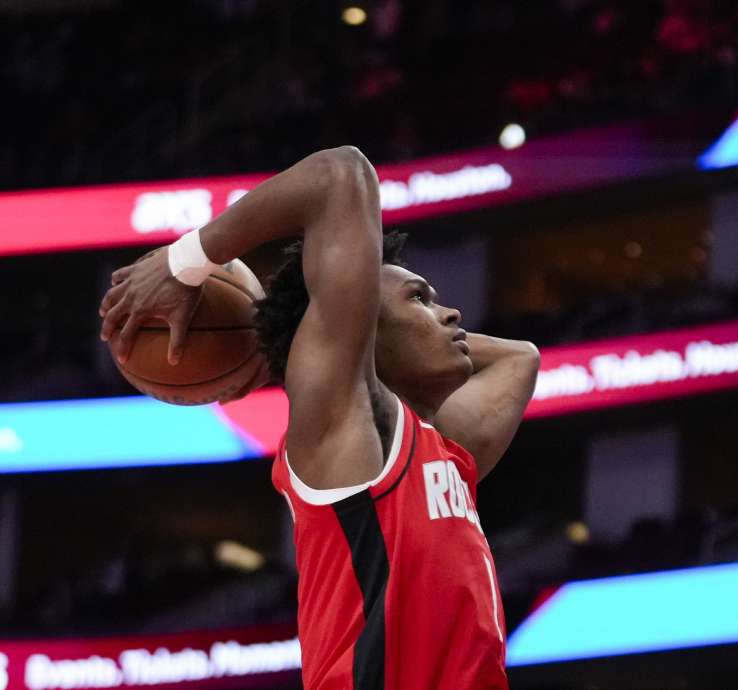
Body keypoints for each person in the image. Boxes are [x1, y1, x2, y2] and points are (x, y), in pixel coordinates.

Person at [98, 146, 540, 690]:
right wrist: (183, 262)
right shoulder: (349, 430)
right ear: (361, 333)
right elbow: (340, 174)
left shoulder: (444, 449)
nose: (449, 313)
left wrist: (370, 331)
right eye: (419, 299)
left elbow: (521, 357)